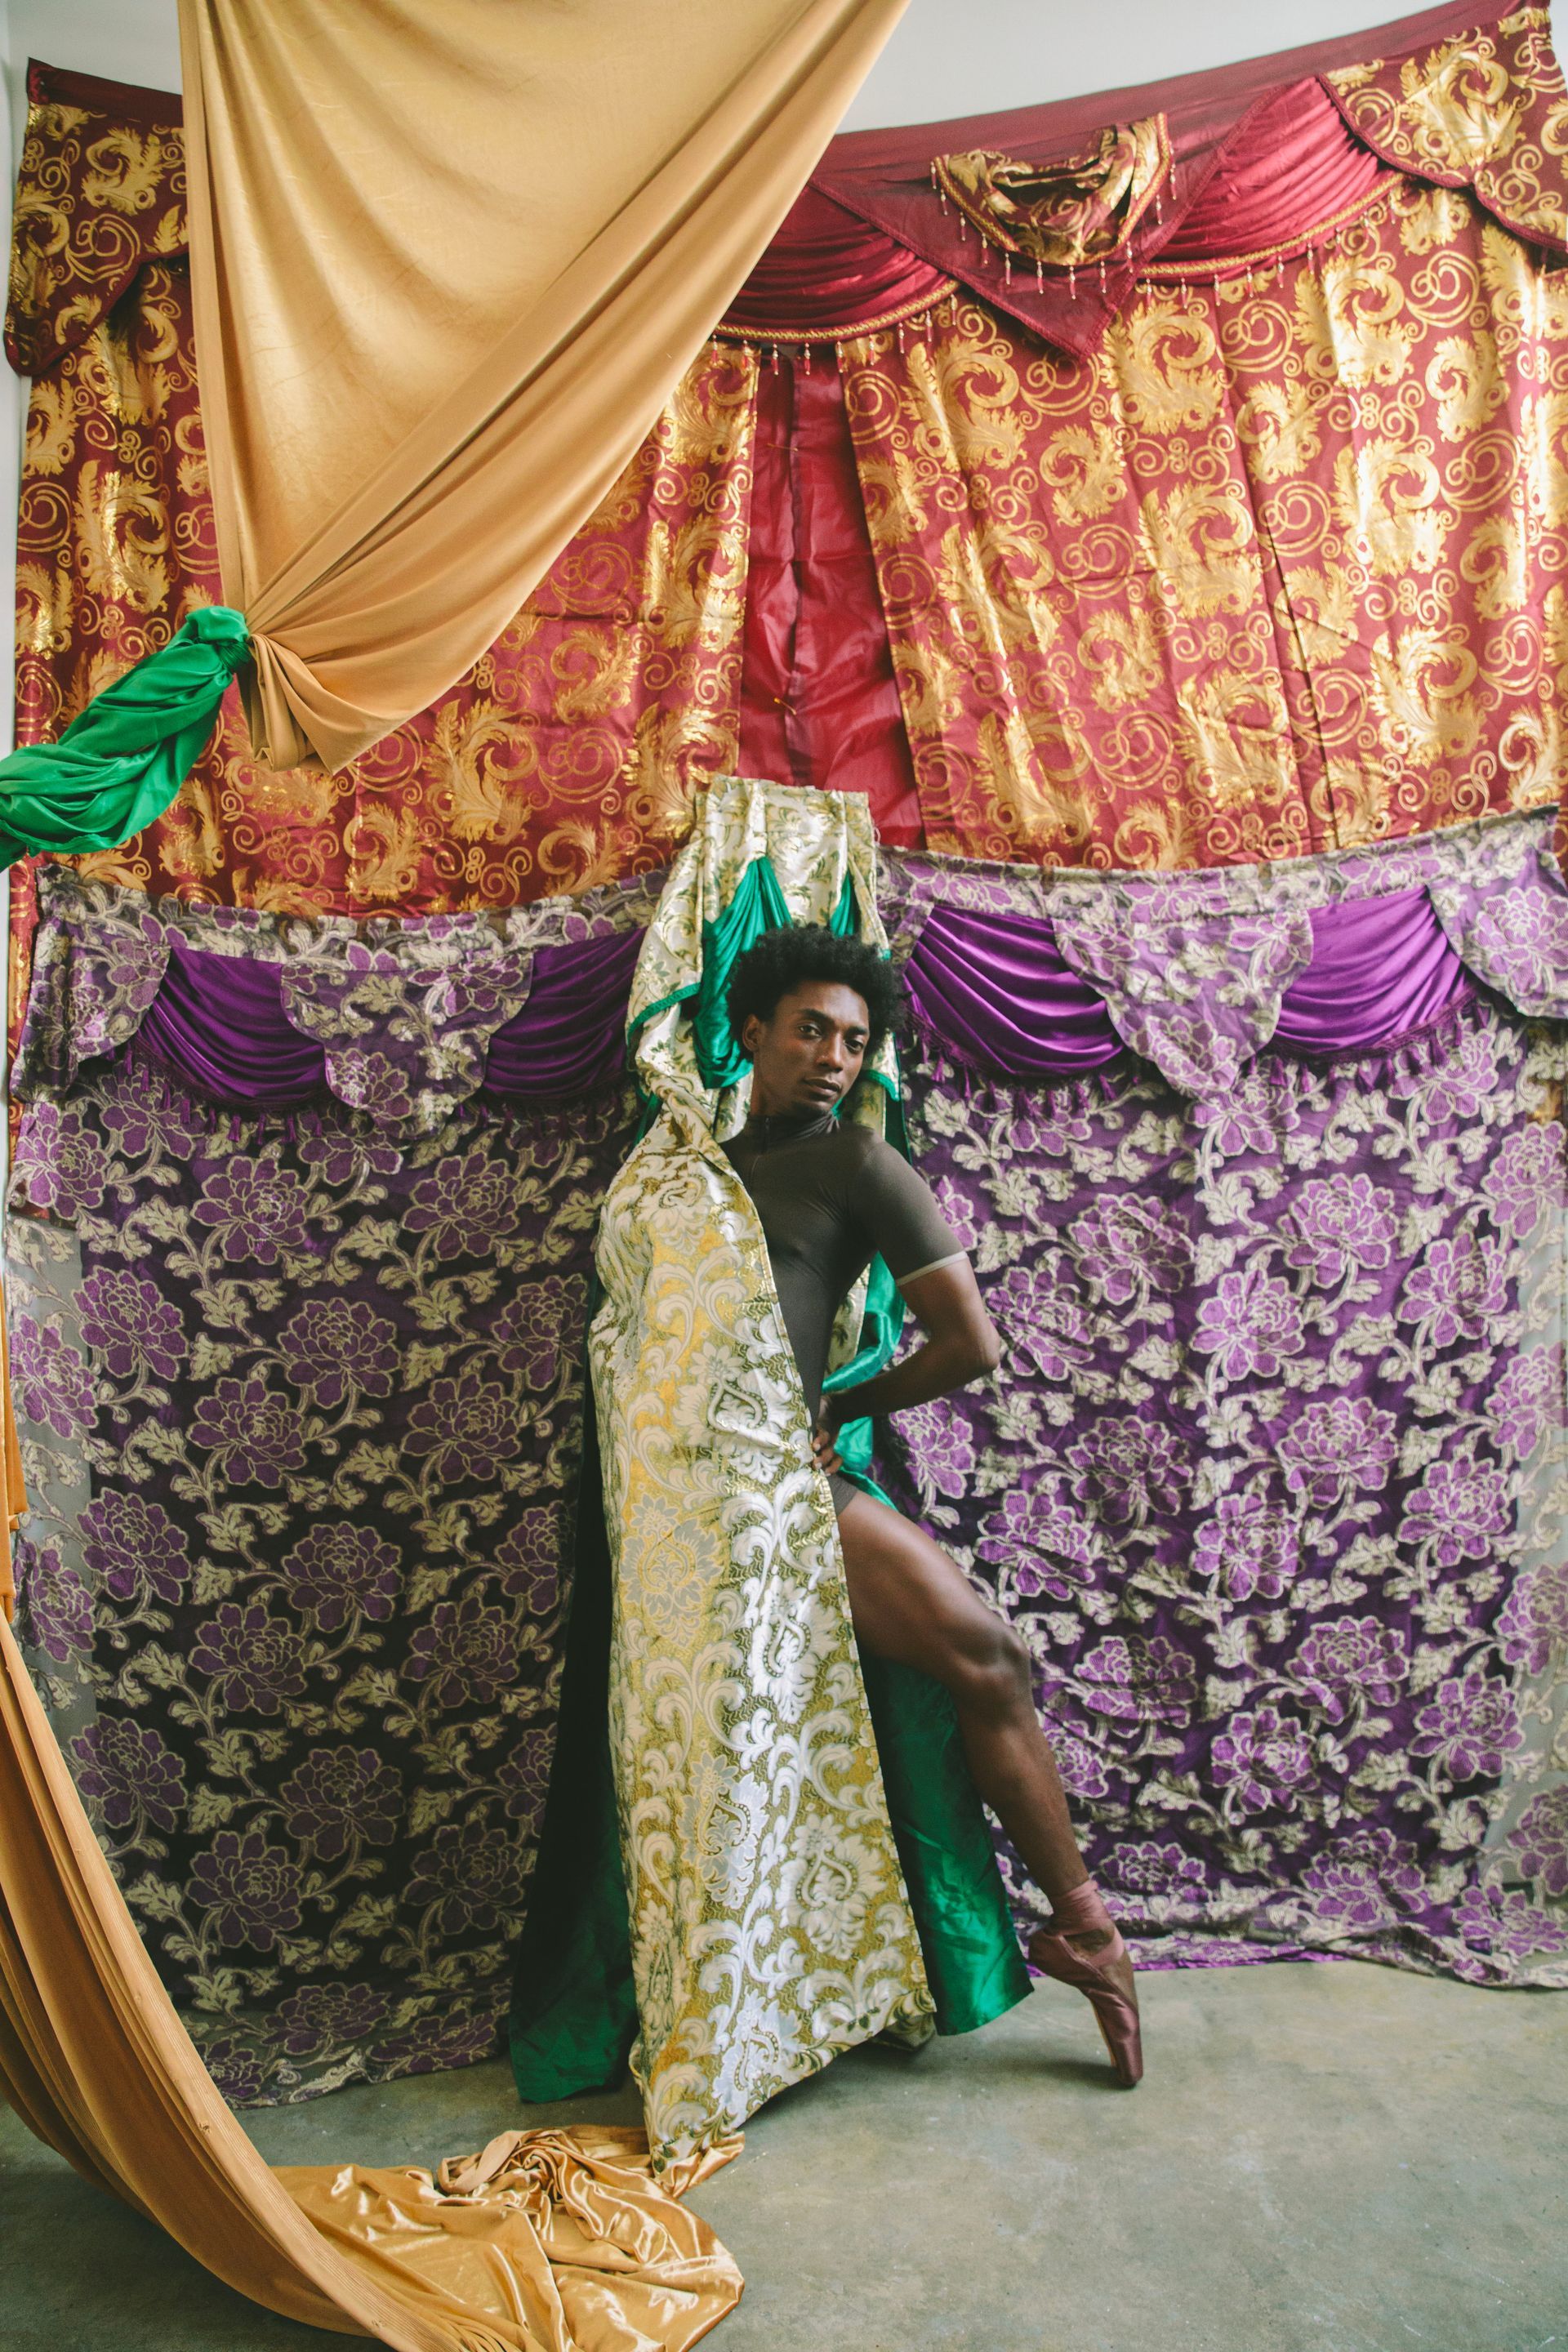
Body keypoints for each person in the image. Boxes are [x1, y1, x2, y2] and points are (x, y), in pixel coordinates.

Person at [723, 923, 1143, 2087]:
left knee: (983, 1652)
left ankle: (1082, 1926)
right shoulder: (686, 1173)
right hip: (685, 1509)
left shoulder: (859, 1164)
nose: (834, 1059)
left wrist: (842, 1399)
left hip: (796, 1487)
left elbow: (969, 1343)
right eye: (811, 1030)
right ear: (752, 1031)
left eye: (856, 1042)